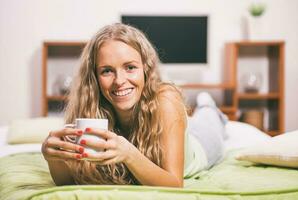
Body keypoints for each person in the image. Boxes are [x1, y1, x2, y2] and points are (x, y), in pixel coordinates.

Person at [41, 23, 226, 187]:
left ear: (145, 68)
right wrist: (53, 159)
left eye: (130, 67)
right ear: (95, 78)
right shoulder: (92, 107)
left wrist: (129, 154)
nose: (119, 81)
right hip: (177, 128)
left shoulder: (166, 99)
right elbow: (67, 183)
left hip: (203, 143)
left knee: (209, 117)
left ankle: (207, 104)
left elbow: (174, 184)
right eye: (107, 71)